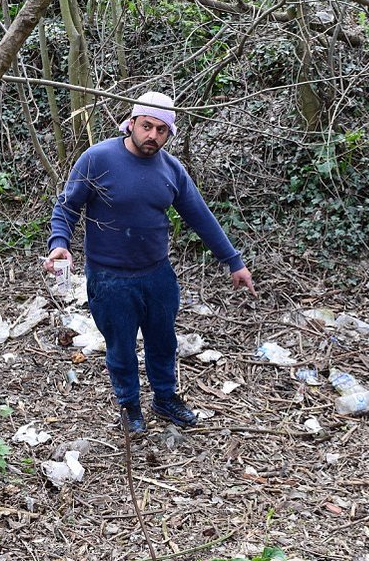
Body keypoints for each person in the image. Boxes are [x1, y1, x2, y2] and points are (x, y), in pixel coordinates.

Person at [43, 91, 256, 434]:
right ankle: (129, 407)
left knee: (163, 341)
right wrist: (59, 244)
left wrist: (234, 262)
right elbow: (67, 207)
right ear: (130, 123)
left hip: (157, 274)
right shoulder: (97, 159)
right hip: (109, 276)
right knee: (121, 348)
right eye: (146, 126)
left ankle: (165, 398)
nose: (152, 135)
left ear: (169, 134)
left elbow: (201, 217)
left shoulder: (171, 170)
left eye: (161, 130)